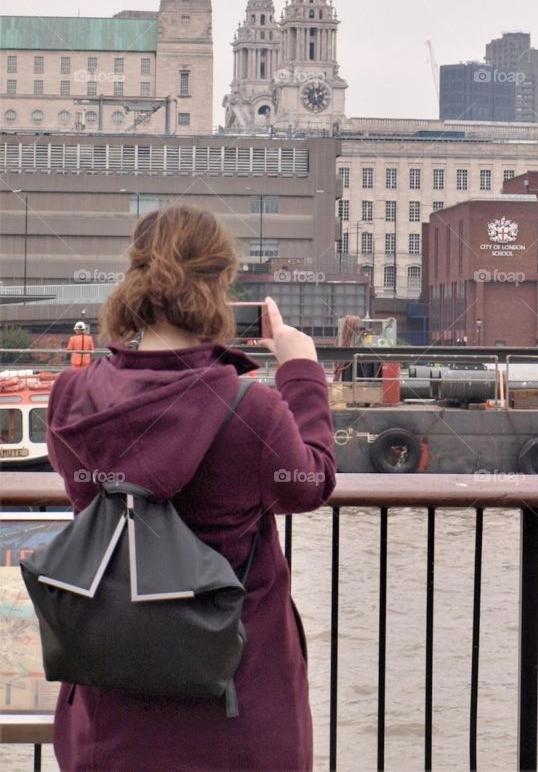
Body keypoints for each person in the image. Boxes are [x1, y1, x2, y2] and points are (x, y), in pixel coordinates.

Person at [44, 205, 335, 772]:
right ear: (219, 285)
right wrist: (300, 369)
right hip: (233, 700)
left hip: (111, 705)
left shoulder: (72, 396)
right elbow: (311, 482)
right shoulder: (251, 409)